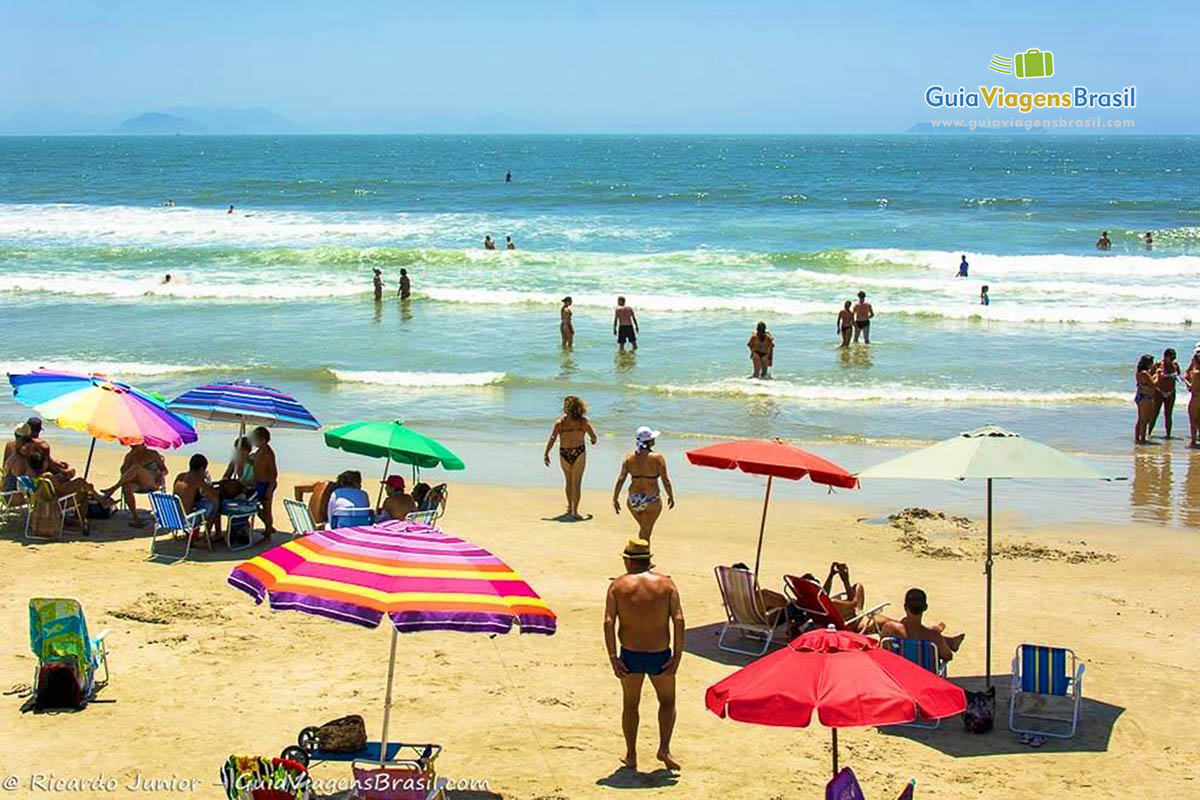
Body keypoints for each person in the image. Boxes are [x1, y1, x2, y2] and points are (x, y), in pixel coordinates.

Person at [603, 538, 683, 772]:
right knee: (667, 702)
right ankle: (664, 749)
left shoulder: (618, 586)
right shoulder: (667, 585)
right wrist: (677, 656)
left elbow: (609, 622)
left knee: (630, 704)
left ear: (628, 561)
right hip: (660, 654)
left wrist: (612, 657)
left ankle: (631, 755)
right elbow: (678, 619)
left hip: (630, 654)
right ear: (648, 561)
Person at [612, 427, 674, 540]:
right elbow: (665, 480)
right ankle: (641, 555)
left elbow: (621, 479)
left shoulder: (629, 457)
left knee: (644, 530)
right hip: (651, 499)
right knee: (645, 533)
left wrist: (615, 498)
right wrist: (670, 496)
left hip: (633, 499)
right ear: (649, 441)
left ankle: (640, 553)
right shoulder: (657, 458)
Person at [544, 395, 598, 520]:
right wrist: (592, 440)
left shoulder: (560, 423)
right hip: (578, 452)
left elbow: (552, 438)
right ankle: (575, 511)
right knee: (576, 483)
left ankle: (569, 507)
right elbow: (593, 436)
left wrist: (546, 453)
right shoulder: (583, 422)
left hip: (564, 453)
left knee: (569, 482)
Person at [876, 588, 965, 663]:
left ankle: (951, 641)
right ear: (925, 607)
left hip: (897, 676)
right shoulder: (933, 636)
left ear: (905, 607)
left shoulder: (890, 628)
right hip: (924, 679)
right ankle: (951, 642)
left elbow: (882, 648)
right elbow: (948, 656)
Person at [101, 443, 167, 527]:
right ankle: (135, 518)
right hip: (137, 483)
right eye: (132, 446)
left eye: (136, 445)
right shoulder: (130, 456)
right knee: (126, 487)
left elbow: (165, 470)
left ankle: (113, 489)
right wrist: (130, 458)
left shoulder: (153, 454)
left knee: (136, 467)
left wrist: (159, 474)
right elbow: (123, 472)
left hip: (152, 481)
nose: (133, 447)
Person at [174, 453, 219, 540]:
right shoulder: (197, 479)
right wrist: (207, 482)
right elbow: (215, 499)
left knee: (200, 504)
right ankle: (207, 535)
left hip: (173, 518)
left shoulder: (180, 476)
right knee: (214, 505)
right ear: (202, 468)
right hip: (186, 521)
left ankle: (198, 535)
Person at [251, 426, 278, 537]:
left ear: (262, 440)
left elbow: (274, 473)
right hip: (259, 483)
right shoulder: (259, 451)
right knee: (256, 507)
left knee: (267, 509)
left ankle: (268, 531)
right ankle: (269, 526)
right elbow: (256, 465)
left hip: (267, 484)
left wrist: (269, 489)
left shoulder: (268, 453)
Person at [1151, 348, 1180, 439]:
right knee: (1155, 413)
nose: (1172, 360)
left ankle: (1168, 435)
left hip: (1171, 392)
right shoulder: (1158, 365)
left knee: (1168, 414)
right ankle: (1148, 432)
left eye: (1173, 358)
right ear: (1165, 356)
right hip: (1159, 391)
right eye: (1170, 358)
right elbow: (1151, 378)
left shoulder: (1175, 365)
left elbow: (1178, 375)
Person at [1134, 354, 1160, 445]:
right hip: (1145, 397)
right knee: (1144, 420)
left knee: (1141, 419)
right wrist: (1158, 373)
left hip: (1142, 396)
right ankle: (1142, 440)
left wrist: (1153, 372)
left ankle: (1138, 437)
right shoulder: (1144, 373)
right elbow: (1154, 384)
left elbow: (1148, 382)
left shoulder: (1141, 372)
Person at [1186, 346, 1200, 447]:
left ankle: (1193, 441)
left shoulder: (1196, 373)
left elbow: (1192, 387)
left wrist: (1185, 381)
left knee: (1193, 419)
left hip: (1196, 398)